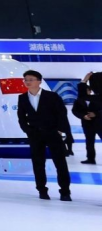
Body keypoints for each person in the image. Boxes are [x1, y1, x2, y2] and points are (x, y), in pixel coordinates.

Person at [17, 70, 73, 201]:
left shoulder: (52, 96)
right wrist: (28, 130)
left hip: (52, 132)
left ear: (39, 81)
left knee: (60, 163)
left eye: (31, 79)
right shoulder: (22, 98)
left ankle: (65, 191)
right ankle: (42, 190)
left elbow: (61, 113)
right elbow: (21, 117)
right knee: (38, 163)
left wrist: (60, 130)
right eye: (26, 80)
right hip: (35, 134)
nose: (28, 82)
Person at [72, 72, 102, 165]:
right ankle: (90, 159)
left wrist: (96, 114)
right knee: (89, 142)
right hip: (87, 124)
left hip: (100, 123)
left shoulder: (97, 97)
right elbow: (75, 110)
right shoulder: (81, 100)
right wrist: (83, 116)